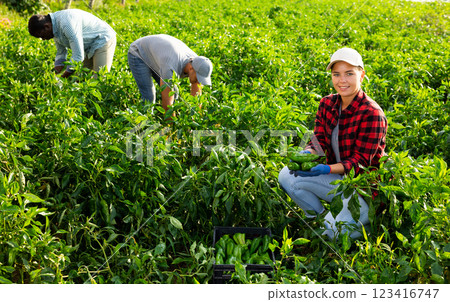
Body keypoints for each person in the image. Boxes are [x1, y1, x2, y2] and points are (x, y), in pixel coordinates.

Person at [278, 47, 388, 240]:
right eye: (336, 74)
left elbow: (360, 162)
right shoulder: (327, 104)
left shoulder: (372, 113)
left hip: (362, 190)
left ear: (361, 75)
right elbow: (318, 140)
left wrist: (326, 169)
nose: (342, 80)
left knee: (332, 235)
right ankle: (320, 219)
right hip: (340, 181)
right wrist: (309, 152)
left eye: (349, 74)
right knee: (286, 175)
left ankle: (368, 225)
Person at [127, 34, 213, 112]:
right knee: (149, 97)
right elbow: (167, 104)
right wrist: (170, 128)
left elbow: (196, 95)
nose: (199, 81)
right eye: (198, 77)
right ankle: (144, 125)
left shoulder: (198, 63)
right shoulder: (170, 66)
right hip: (138, 52)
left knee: (174, 94)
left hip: (159, 54)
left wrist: (195, 117)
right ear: (191, 68)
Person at [28, 9, 116, 78]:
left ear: (46, 26)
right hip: (88, 47)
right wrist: (54, 76)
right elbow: (61, 53)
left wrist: (63, 77)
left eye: (41, 36)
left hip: (102, 40)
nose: (43, 39)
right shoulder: (53, 28)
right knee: (80, 79)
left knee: (99, 78)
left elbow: (78, 56)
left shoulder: (66, 24)